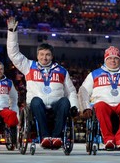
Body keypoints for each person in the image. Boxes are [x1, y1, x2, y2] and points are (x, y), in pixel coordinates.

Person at [6, 17, 79, 149]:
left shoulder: (61, 71)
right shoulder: (29, 66)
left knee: (65, 101)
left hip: (56, 106)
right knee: (35, 101)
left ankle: (56, 137)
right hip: (36, 106)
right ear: (37, 55)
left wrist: (74, 106)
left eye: (47, 55)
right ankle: (45, 137)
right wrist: (12, 32)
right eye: (42, 54)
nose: (44, 57)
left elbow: (71, 91)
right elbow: (13, 54)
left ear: (52, 56)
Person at [78, 46, 120, 150]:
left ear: (119, 60)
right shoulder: (94, 74)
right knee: (99, 105)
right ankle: (108, 139)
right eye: (110, 58)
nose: (113, 60)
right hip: (103, 104)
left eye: (116, 58)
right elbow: (84, 91)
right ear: (105, 60)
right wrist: (85, 107)